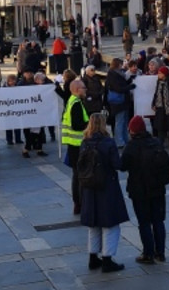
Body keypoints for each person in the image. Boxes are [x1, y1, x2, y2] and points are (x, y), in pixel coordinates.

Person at [79, 112, 128, 273]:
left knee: (93, 224)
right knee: (110, 224)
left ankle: (93, 258)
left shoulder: (85, 142)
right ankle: (107, 259)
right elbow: (117, 164)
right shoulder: (108, 142)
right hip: (106, 187)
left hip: (89, 187)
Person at [121, 115, 168, 264]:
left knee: (144, 222)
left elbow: (122, 166)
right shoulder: (156, 143)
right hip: (157, 188)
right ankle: (160, 253)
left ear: (132, 131)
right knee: (158, 221)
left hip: (139, 190)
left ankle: (148, 253)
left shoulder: (131, 146)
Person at [61, 78, 89, 215]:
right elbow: (77, 125)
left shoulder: (71, 101)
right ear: (77, 90)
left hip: (72, 144)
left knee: (76, 175)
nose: (85, 90)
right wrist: (90, 125)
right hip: (78, 145)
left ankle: (78, 203)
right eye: (84, 88)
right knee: (80, 176)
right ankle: (80, 203)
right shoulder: (76, 103)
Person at [105, 58, 135, 147]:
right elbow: (118, 88)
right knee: (120, 121)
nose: (123, 66)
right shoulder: (112, 75)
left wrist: (130, 80)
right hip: (118, 102)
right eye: (121, 64)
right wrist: (130, 87)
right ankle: (119, 141)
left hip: (123, 101)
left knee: (124, 121)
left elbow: (123, 84)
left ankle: (125, 139)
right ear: (118, 65)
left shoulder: (118, 73)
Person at [151, 66, 169, 148]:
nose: (158, 75)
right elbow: (156, 94)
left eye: (160, 73)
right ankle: (160, 141)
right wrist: (153, 103)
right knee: (160, 125)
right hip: (160, 106)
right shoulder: (158, 83)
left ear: (164, 74)